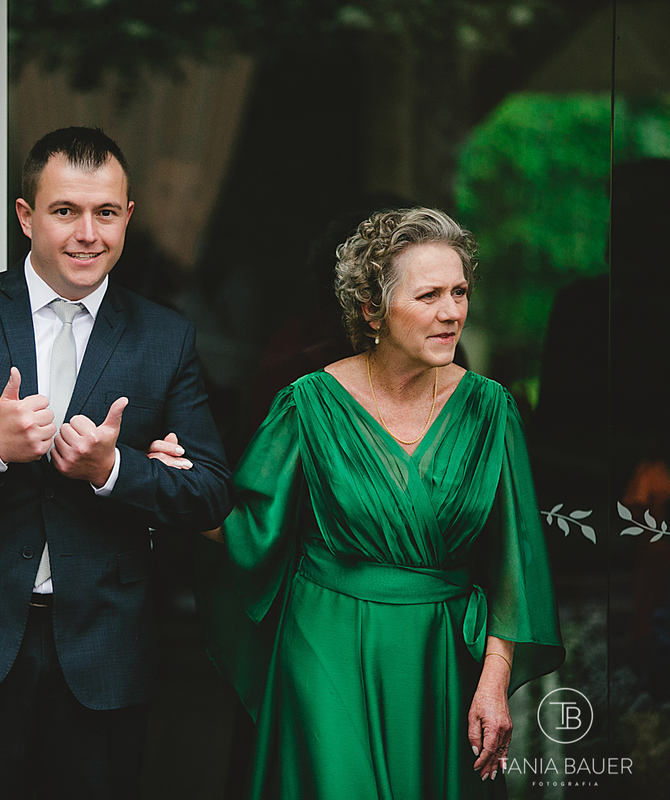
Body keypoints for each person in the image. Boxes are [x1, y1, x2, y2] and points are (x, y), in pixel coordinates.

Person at [0, 126, 233, 798]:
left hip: (104, 644)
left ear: (128, 217)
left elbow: (208, 495)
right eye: (65, 211)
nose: (88, 234)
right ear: (26, 216)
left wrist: (114, 471)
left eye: (106, 213)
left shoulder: (165, 335)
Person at [196, 207, 564, 798]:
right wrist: (169, 484)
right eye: (429, 296)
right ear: (372, 309)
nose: (452, 312)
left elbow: (511, 563)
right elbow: (249, 530)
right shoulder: (308, 404)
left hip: (441, 655)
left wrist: (494, 680)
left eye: (460, 292)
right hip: (326, 644)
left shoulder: (491, 409)